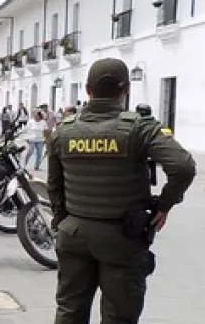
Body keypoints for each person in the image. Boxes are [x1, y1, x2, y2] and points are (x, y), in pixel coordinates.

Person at [49, 58, 197, 324]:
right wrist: (164, 205)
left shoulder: (64, 131)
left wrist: (63, 221)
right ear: (126, 89)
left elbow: (54, 186)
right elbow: (183, 166)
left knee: (70, 312)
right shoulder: (139, 127)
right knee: (120, 316)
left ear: (87, 89)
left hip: (73, 233)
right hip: (122, 237)